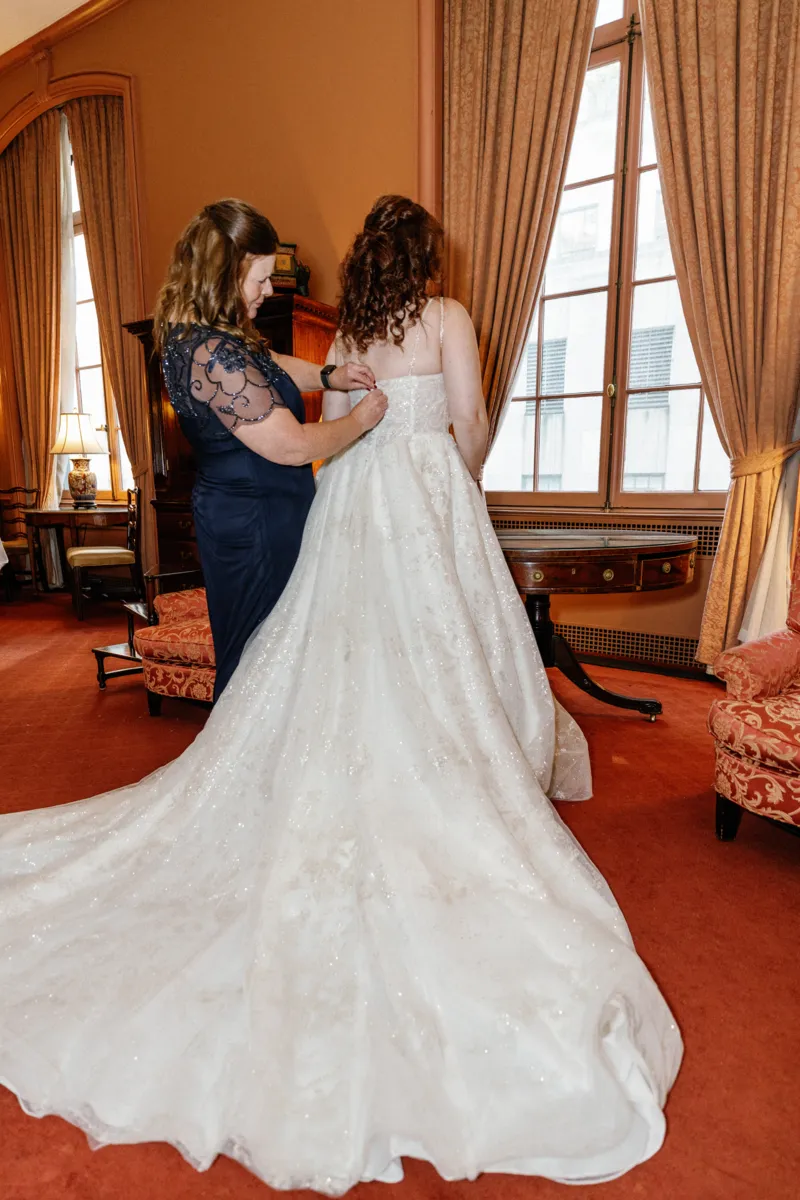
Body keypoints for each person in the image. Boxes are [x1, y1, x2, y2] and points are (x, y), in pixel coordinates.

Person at [0, 195, 681, 1194]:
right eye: (260, 267)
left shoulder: (342, 333)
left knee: (334, 648)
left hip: (348, 504)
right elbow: (461, 427)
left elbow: (312, 400)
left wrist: (358, 413)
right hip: (392, 491)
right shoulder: (436, 320)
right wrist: (429, 461)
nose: (271, 280)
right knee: (433, 647)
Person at [155, 199, 387, 699]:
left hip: (252, 508)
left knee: (276, 654)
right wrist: (358, 421)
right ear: (220, 276)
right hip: (255, 520)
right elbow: (291, 446)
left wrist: (329, 375)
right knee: (262, 658)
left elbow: (273, 363)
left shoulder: (212, 337)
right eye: (258, 278)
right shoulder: (212, 354)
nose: (268, 290)